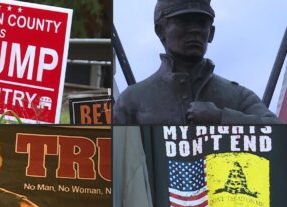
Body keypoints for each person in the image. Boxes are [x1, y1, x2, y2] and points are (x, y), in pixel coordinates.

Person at [113, 0, 280, 125]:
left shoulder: (237, 97)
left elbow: (278, 132)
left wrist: (221, 118)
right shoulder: (132, 100)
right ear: (160, 30)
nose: (195, 30)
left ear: (211, 33)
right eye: (184, 21)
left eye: (202, 23)